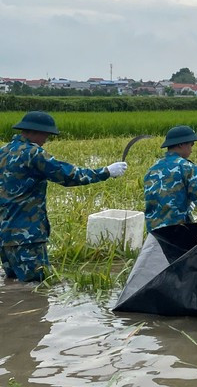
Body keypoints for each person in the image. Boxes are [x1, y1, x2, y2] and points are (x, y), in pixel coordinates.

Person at [0, 111, 128, 282]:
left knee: (13, 284)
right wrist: (106, 172)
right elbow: (67, 175)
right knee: (38, 286)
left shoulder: (3, 151)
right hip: (28, 236)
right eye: (46, 135)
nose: (46, 139)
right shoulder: (33, 153)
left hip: (4, 235)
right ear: (35, 132)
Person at [143, 125, 197, 232]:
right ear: (181, 144)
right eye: (191, 144)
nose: (191, 149)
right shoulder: (186, 167)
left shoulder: (152, 169)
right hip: (178, 230)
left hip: (155, 231)